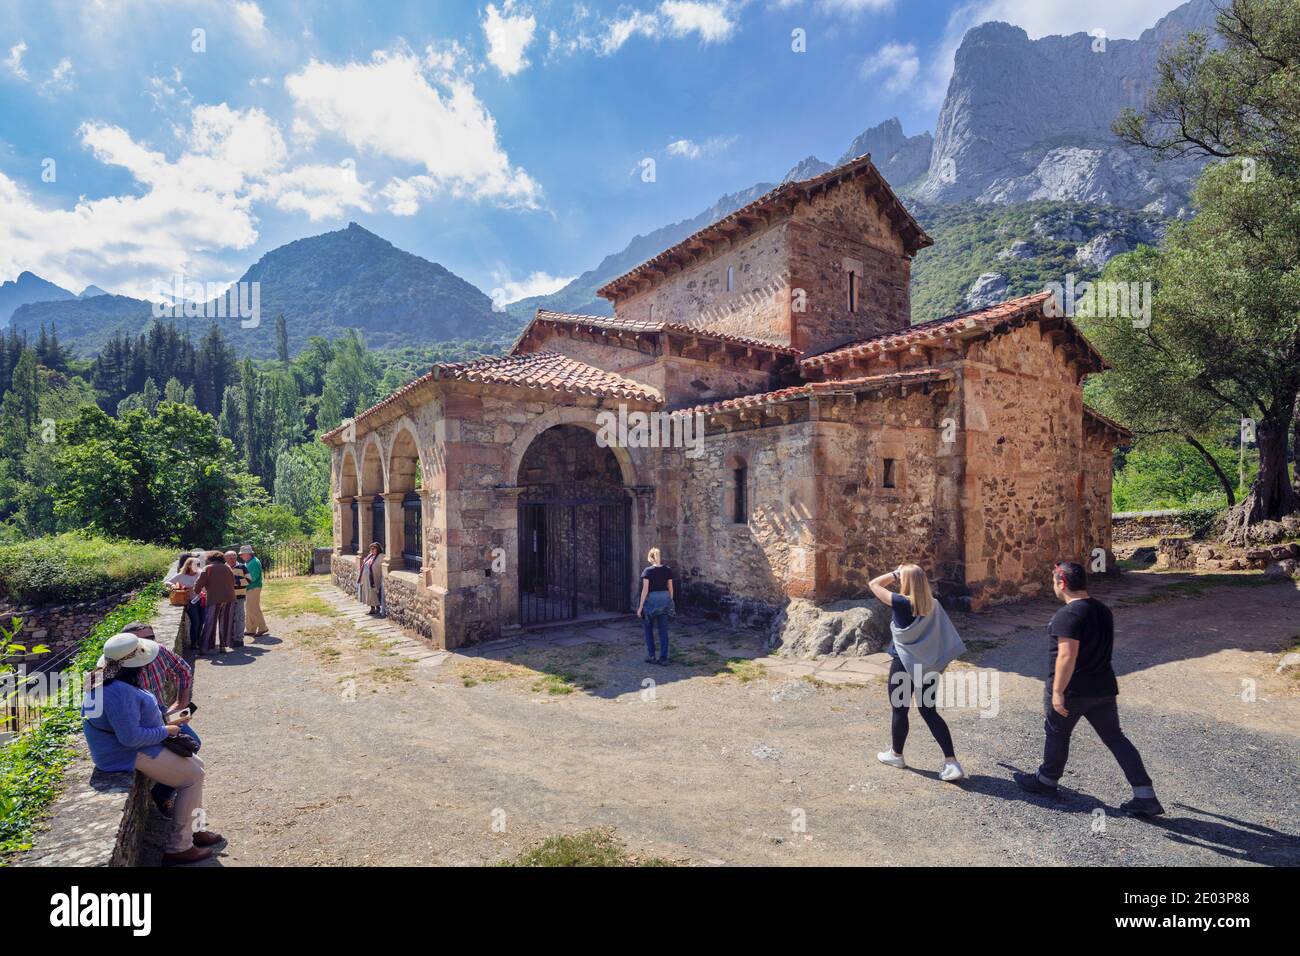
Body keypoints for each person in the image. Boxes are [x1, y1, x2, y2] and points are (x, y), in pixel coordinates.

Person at [1013, 561, 1163, 816]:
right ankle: (1145, 794)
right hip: (1103, 689)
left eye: (1054, 582)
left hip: (1073, 691)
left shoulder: (1068, 615)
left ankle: (1046, 781)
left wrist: (1058, 692)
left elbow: (1066, 656)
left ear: (1062, 583)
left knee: (1057, 733)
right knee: (1116, 738)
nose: (1054, 587)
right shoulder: (1104, 610)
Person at [81, 632, 223, 865]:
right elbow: (130, 737)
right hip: (126, 752)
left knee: (198, 766)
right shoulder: (118, 692)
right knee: (193, 776)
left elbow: (127, 721)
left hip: (125, 747)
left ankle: (195, 829)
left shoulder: (103, 680)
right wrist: (167, 730)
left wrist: (165, 720)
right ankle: (180, 846)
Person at [868, 564, 967, 782]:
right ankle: (952, 762)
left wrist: (895, 573)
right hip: (929, 665)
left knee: (900, 710)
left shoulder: (902, 603)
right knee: (929, 711)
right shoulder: (934, 605)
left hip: (904, 664)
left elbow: (873, 584)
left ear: (905, 581)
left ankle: (896, 755)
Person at [113, 622, 198, 818]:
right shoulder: (121, 668)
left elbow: (183, 670)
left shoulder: (160, 651)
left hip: (159, 711)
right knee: (187, 758)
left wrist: (181, 704)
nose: (148, 643)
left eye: (151, 638)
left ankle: (162, 792)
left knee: (193, 745)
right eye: (141, 640)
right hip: (140, 719)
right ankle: (175, 803)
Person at [636, 547, 674, 666]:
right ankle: (663, 658)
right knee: (663, 631)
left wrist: (640, 606)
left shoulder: (647, 571)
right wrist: (670, 601)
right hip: (664, 600)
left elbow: (645, 590)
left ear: (650, 558)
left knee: (648, 629)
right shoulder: (667, 570)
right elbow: (670, 588)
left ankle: (651, 655)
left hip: (651, 602)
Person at [194, 551, 236, 654]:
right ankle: (223, 646)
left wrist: (197, 591)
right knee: (225, 622)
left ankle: (204, 647)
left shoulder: (208, 568)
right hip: (229, 598)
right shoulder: (227, 568)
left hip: (214, 598)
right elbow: (233, 582)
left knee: (210, 623)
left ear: (210, 559)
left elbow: (199, 583)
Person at [165, 556, 204, 654]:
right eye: (195, 565)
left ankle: (200, 641)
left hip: (203, 599)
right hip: (190, 602)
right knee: (196, 622)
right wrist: (173, 586)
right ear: (189, 565)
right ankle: (194, 643)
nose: (197, 567)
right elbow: (167, 582)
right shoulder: (181, 575)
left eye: (198, 565)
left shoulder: (201, 573)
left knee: (202, 621)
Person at [241, 544, 268, 637]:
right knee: (249, 608)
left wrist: (239, 582)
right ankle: (250, 629)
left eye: (242, 554)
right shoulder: (250, 561)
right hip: (250, 587)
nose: (241, 556)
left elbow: (252, 577)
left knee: (253, 608)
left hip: (253, 587)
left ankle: (262, 627)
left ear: (248, 554)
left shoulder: (254, 562)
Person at [225, 550, 250, 648]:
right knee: (228, 618)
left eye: (233, 557)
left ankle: (239, 639)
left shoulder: (243, 567)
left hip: (239, 596)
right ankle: (229, 639)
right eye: (229, 558)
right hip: (226, 597)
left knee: (239, 618)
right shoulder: (223, 568)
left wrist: (235, 582)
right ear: (225, 558)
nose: (232, 559)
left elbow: (248, 580)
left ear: (236, 558)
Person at [358, 542, 384, 615]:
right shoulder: (370, 556)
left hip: (374, 579)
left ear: (378, 549)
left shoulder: (381, 556)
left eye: (374, 548)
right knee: (368, 593)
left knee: (373, 593)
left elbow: (378, 566)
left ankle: (378, 608)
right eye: (371, 549)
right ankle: (372, 608)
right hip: (367, 579)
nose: (372, 550)